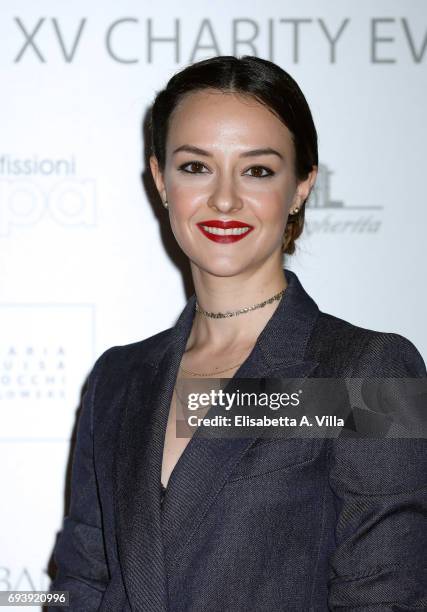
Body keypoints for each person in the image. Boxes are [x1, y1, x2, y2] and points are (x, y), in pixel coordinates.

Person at [49, 56, 427, 610]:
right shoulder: (118, 379)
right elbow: (81, 583)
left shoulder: (370, 372)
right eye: (196, 167)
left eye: (258, 170)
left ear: (301, 186)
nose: (224, 199)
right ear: (160, 179)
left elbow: (388, 595)